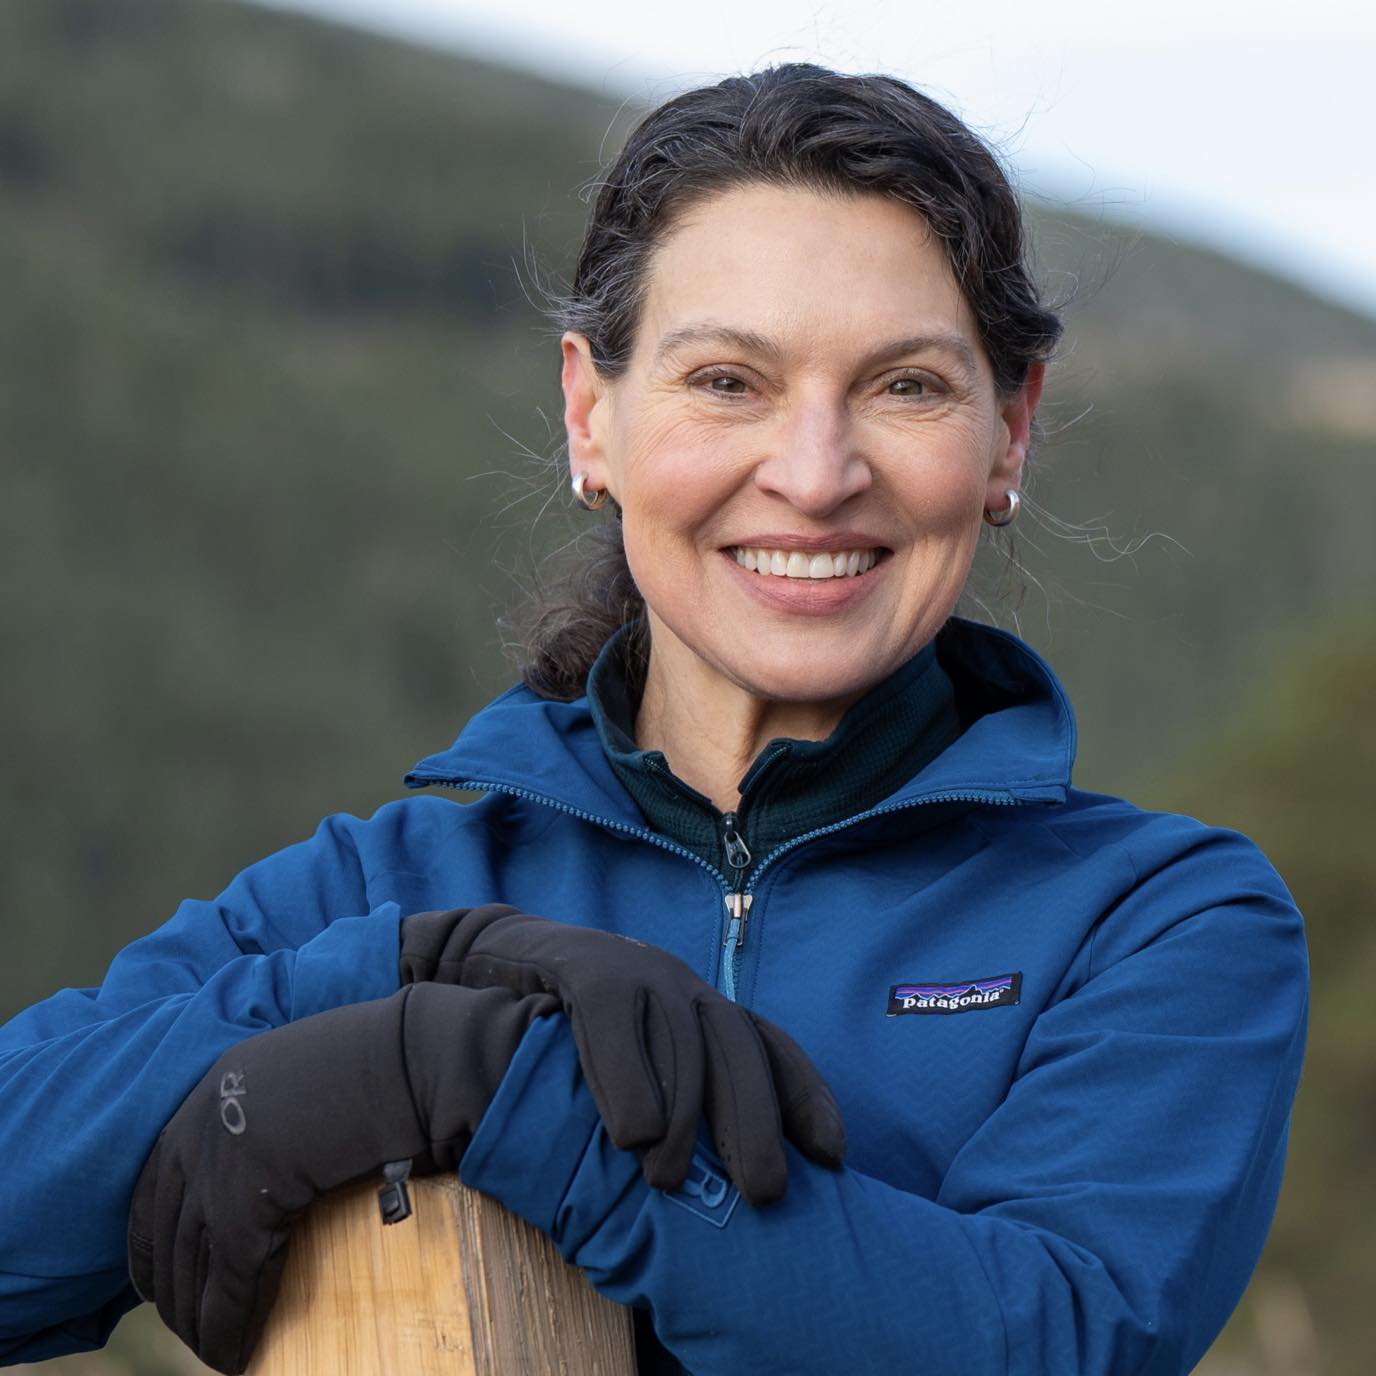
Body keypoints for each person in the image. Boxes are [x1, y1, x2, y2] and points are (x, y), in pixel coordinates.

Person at [0, 63, 1307, 1376]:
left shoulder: (1159, 923)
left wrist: (502, 1094)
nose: (813, 473)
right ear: (592, 416)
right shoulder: (389, 893)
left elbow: (1046, 1343)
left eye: (904, 386)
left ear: (1009, 432)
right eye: (729, 381)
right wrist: (393, 999)